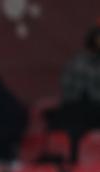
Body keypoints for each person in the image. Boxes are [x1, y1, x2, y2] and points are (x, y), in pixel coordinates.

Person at [47, 24, 100, 161]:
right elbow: (68, 90)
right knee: (73, 127)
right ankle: (71, 164)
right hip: (78, 109)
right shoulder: (78, 62)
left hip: (92, 109)